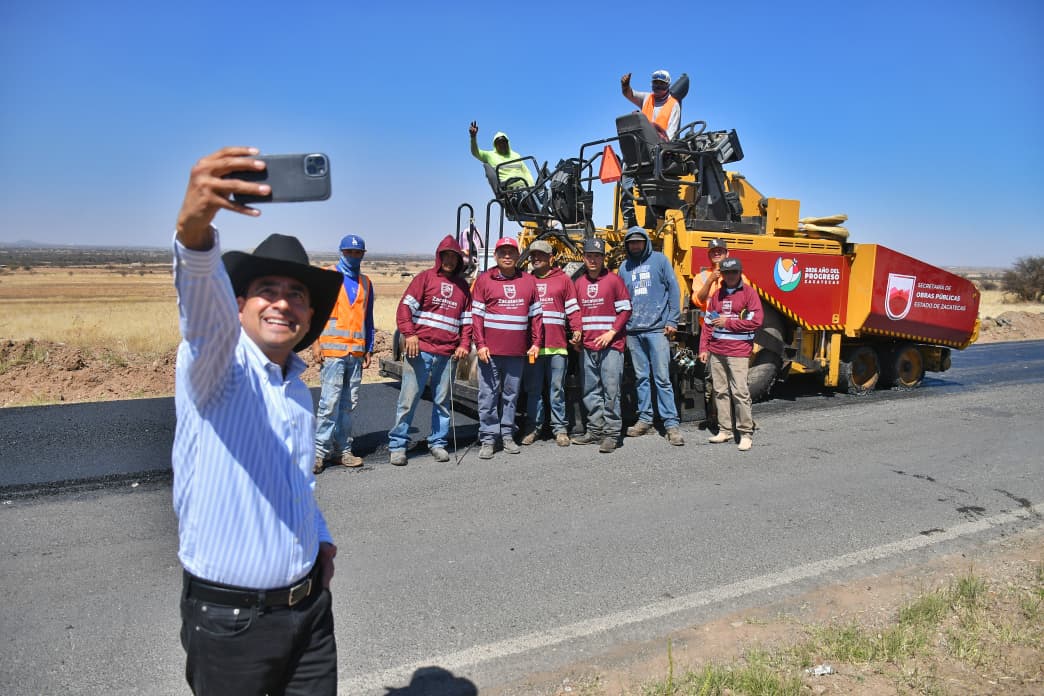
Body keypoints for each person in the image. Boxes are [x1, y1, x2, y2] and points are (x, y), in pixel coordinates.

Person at [172, 146, 340, 695]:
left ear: (309, 316)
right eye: (267, 290)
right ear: (239, 304)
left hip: (309, 612)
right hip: (232, 624)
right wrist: (194, 229)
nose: (282, 304)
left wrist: (319, 538)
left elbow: (295, 478)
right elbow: (202, 307)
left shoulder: (295, 386)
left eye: (296, 295)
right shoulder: (216, 366)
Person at [387, 235, 473, 465]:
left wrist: (464, 344)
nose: (449, 261)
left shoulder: (463, 288)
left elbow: (467, 322)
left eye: (454, 257)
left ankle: (438, 443)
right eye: (446, 256)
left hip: (447, 354)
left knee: (442, 401)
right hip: (420, 350)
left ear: (459, 261)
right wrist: (409, 334)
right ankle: (398, 445)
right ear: (439, 257)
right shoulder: (424, 278)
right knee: (408, 400)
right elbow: (404, 309)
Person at [470, 237, 542, 459]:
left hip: (516, 352)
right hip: (490, 352)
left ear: (518, 255)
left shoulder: (528, 281)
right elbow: (476, 317)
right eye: (503, 252)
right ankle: (488, 438)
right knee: (488, 396)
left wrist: (536, 343)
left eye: (511, 252)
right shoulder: (484, 280)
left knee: (511, 396)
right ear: (496, 256)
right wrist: (480, 344)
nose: (507, 256)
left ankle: (508, 435)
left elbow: (536, 316)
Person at [312, 233, 375, 473]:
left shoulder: (366, 283)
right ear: (341, 252)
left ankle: (343, 451)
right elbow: (313, 313)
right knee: (329, 404)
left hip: (355, 354)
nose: (353, 256)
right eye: (349, 252)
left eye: (357, 253)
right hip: (332, 352)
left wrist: (368, 348)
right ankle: (319, 454)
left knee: (348, 406)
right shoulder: (327, 276)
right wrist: (315, 345)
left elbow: (368, 319)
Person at [619, 226, 685, 446]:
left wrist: (672, 320)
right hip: (633, 331)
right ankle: (645, 419)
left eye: (639, 241)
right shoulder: (624, 267)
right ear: (627, 245)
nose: (635, 245)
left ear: (646, 242)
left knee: (662, 378)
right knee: (641, 378)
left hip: (657, 330)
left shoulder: (660, 260)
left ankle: (671, 424)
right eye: (631, 242)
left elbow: (673, 289)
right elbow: (620, 298)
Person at [571, 238, 632, 453]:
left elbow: (625, 310)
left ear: (603, 258)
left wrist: (612, 333)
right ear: (583, 258)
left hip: (611, 345)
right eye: (589, 256)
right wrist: (577, 335)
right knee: (590, 391)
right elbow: (575, 313)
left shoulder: (614, 281)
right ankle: (595, 431)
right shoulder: (579, 283)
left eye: (597, 256)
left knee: (611, 390)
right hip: (588, 346)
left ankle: (612, 434)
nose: (593, 260)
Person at [699, 257, 763, 451]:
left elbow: (756, 321)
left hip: (738, 352)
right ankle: (725, 430)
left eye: (734, 272)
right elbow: (708, 323)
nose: (730, 276)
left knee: (740, 392)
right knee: (720, 391)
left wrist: (728, 323)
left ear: (740, 273)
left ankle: (745, 433)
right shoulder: (717, 295)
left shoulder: (749, 293)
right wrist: (703, 348)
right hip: (717, 351)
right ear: (723, 275)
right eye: (726, 273)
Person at [521, 240, 581, 447]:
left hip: (557, 346)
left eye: (541, 255)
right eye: (533, 255)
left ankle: (560, 429)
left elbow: (572, 308)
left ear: (551, 258)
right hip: (533, 348)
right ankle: (533, 428)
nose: (536, 258)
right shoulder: (526, 281)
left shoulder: (563, 280)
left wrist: (577, 329)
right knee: (533, 391)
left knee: (557, 390)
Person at [618, 69, 682, 228]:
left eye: (661, 84)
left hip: (660, 152)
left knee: (652, 188)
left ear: (667, 85)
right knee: (626, 180)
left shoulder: (673, 105)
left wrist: (661, 146)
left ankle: (652, 221)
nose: (658, 86)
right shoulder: (647, 98)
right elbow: (629, 94)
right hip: (639, 149)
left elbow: (671, 133)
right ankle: (629, 218)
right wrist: (625, 86)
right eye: (655, 83)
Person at [468, 121, 535, 189]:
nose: (502, 144)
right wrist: (473, 137)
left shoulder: (516, 155)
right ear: (495, 144)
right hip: (509, 190)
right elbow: (475, 152)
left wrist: (533, 187)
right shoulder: (490, 155)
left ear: (507, 143)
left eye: (504, 141)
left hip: (525, 187)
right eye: (499, 142)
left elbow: (526, 172)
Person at [690, 238, 729, 313]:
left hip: (729, 320)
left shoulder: (736, 276)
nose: (716, 253)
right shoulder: (701, 276)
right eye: (713, 251)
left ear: (727, 254)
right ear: (708, 255)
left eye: (720, 250)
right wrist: (710, 280)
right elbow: (698, 301)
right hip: (708, 320)